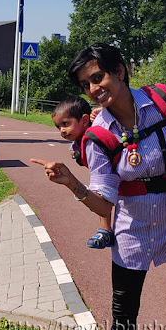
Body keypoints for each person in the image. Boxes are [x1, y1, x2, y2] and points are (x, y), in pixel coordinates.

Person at [31, 43, 166, 330]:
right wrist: (72, 183)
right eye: (85, 84)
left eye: (98, 77)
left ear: (119, 71)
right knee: (123, 321)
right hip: (133, 230)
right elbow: (104, 205)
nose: (93, 88)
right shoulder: (98, 136)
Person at [52, 96, 114, 248]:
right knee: (102, 194)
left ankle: (106, 230)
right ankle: (106, 230)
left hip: (114, 170)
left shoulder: (98, 128)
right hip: (104, 173)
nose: (62, 131)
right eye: (58, 127)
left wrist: (103, 111)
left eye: (66, 124)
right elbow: (74, 151)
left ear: (85, 121)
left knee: (102, 195)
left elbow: (116, 117)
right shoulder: (79, 139)